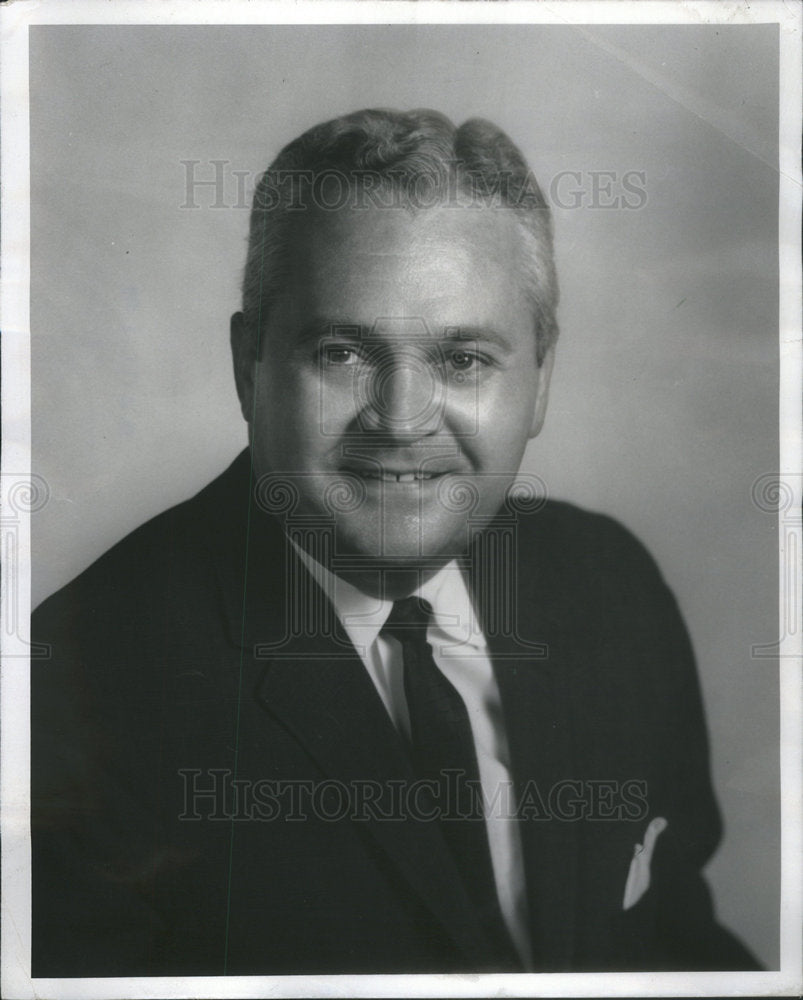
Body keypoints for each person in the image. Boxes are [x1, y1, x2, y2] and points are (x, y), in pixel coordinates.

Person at [30, 108, 760, 976]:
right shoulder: (67, 697)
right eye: (341, 352)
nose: (403, 419)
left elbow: (676, 948)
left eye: (463, 360)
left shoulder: (611, 587)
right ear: (246, 363)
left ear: (541, 379)